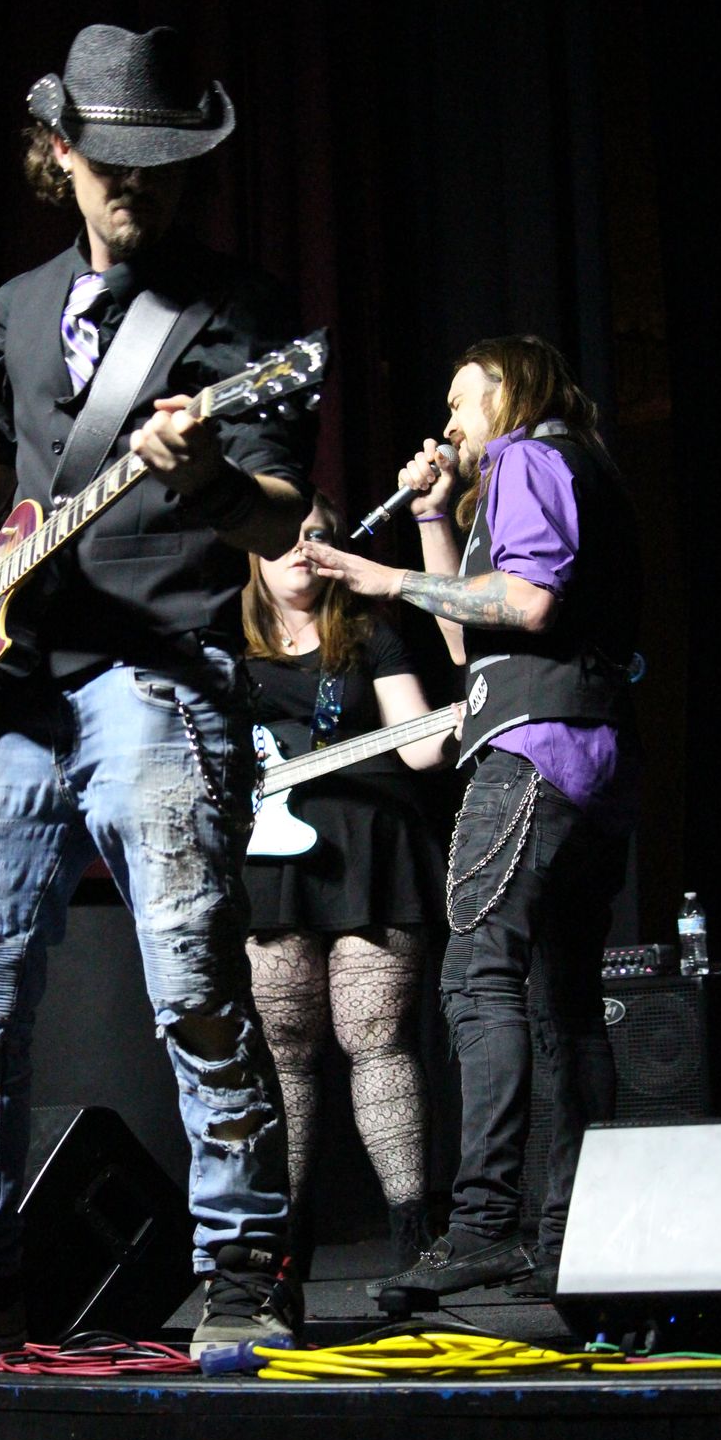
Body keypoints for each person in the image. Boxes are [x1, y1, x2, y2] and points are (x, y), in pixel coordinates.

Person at [0, 23, 315, 1365]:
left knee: (190, 978)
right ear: (61, 151)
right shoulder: (12, 311)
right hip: (14, 696)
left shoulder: (237, 314)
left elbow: (279, 516)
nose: (137, 179)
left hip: (160, 676)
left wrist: (205, 475)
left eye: (163, 160)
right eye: (114, 155)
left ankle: (244, 1263)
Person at [303, 335, 642, 1303]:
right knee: (564, 1000)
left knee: (475, 976)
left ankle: (485, 1222)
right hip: (593, 754)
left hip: (530, 752)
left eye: (460, 401)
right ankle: (570, 1239)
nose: (447, 422)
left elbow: (525, 604)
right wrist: (428, 516)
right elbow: (467, 636)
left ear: (511, 390)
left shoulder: (527, 457)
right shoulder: (581, 468)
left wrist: (379, 581)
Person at [242, 491, 459, 1272]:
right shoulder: (222, 648)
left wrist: (470, 718)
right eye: (285, 536)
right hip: (268, 863)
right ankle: (284, 1248)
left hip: (372, 848)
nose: (301, 548)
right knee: (284, 1054)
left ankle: (412, 1239)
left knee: (376, 1040)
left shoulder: (369, 635)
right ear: (252, 550)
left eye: (317, 536)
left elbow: (419, 747)